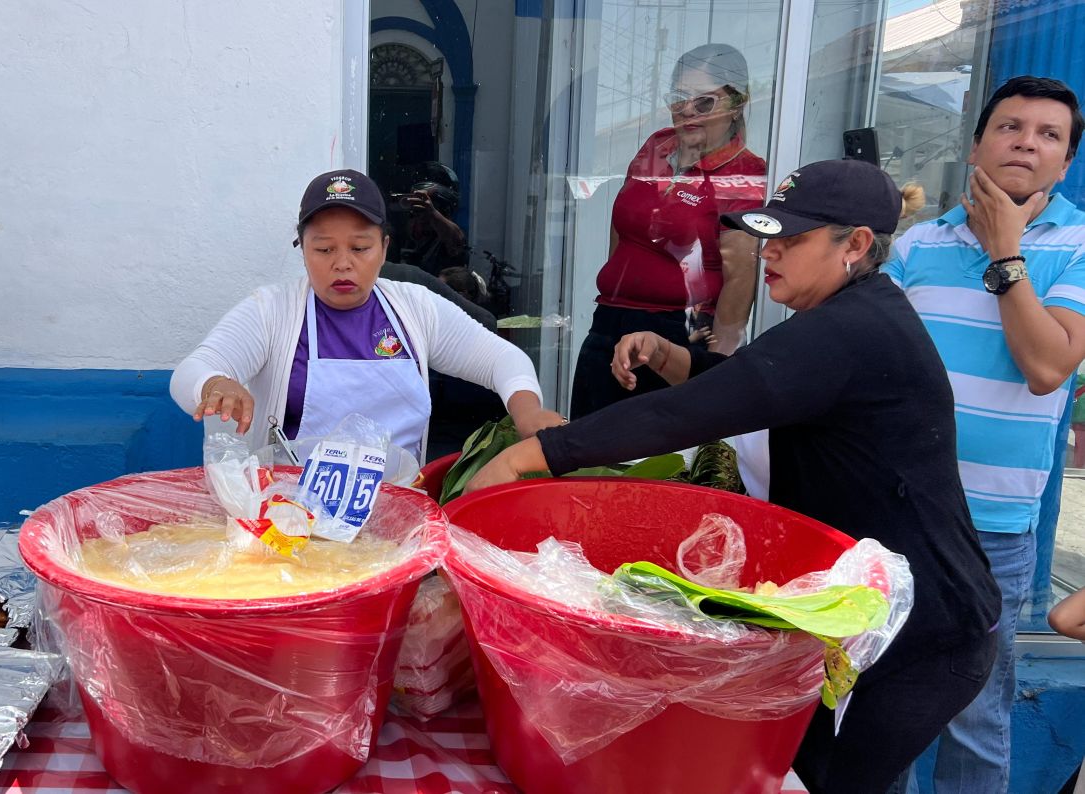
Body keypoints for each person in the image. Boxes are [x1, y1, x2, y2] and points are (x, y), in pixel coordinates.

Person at [463, 159, 1001, 794]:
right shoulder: (844, 318)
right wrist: (669, 355)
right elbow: (745, 389)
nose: (768, 254)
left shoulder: (852, 330)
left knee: (827, 781)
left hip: (922, 631)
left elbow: (687, 415)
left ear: (855, 244)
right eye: (767, 237)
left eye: (791, 241)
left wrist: (531, 456)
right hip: (865, 612)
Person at [884, 75, 1085, 794]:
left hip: (991, 529)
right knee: (884, 705)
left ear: (1064, 163)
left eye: (1047, 135)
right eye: (1009, 127)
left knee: (971, 713)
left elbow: (1045, 366)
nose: (1025, 143)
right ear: (976, 145)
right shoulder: (915, 247)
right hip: (896, 510)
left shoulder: (1077, 245)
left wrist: (1006, 253)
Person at [170, 168, 563, 461]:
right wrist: (215, 384)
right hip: (289, 516)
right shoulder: (271, 311)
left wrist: (526, 410)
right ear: (302, 248)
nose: (342, 264)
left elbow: (502, 358)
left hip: (399, 511)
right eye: (324, 250)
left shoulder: (415, 309)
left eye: (360, 248)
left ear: (385, 247)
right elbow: (193, 370)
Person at [570, 42, 766, 418]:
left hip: (674, 333)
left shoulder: (743, 170)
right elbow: (624, 230)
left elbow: (740, 279)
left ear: (736, 104)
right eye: (679, 98)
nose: (687, 111)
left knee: (647, 461)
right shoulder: (657, 145)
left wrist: (714, 371)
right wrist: (620, 285)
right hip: (609, 318)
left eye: (704, 102)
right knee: (584, 451)